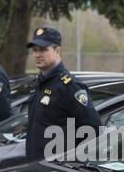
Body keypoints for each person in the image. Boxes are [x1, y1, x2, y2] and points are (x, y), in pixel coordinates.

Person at [25, 27, 102, 162]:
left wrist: (73, 163)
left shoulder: (69, 86)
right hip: (36, 165)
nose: (37, 55)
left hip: (57, 170)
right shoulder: (39, 83)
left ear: (57, 51)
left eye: (43, 49)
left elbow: (93, 129)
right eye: (35, 50)